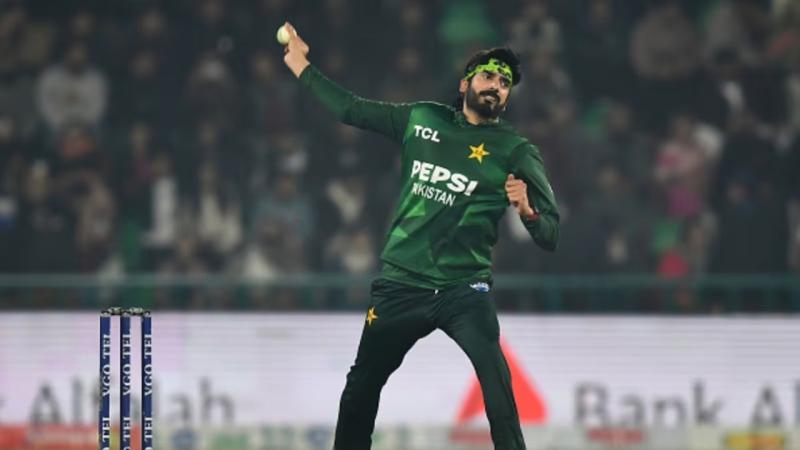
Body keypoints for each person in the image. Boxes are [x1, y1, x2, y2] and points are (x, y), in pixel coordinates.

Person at [281, 22, 559, 450]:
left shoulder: (516, 150)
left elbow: (550, 234)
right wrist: (302, 65)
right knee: (360, 389)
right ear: (465, 83)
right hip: (401, 284)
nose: (496, 86)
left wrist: (527, 212)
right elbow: (351, 109)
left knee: (497, 380)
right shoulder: (422, 118)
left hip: (464, 288)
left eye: (505, 84)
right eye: (488, 76)